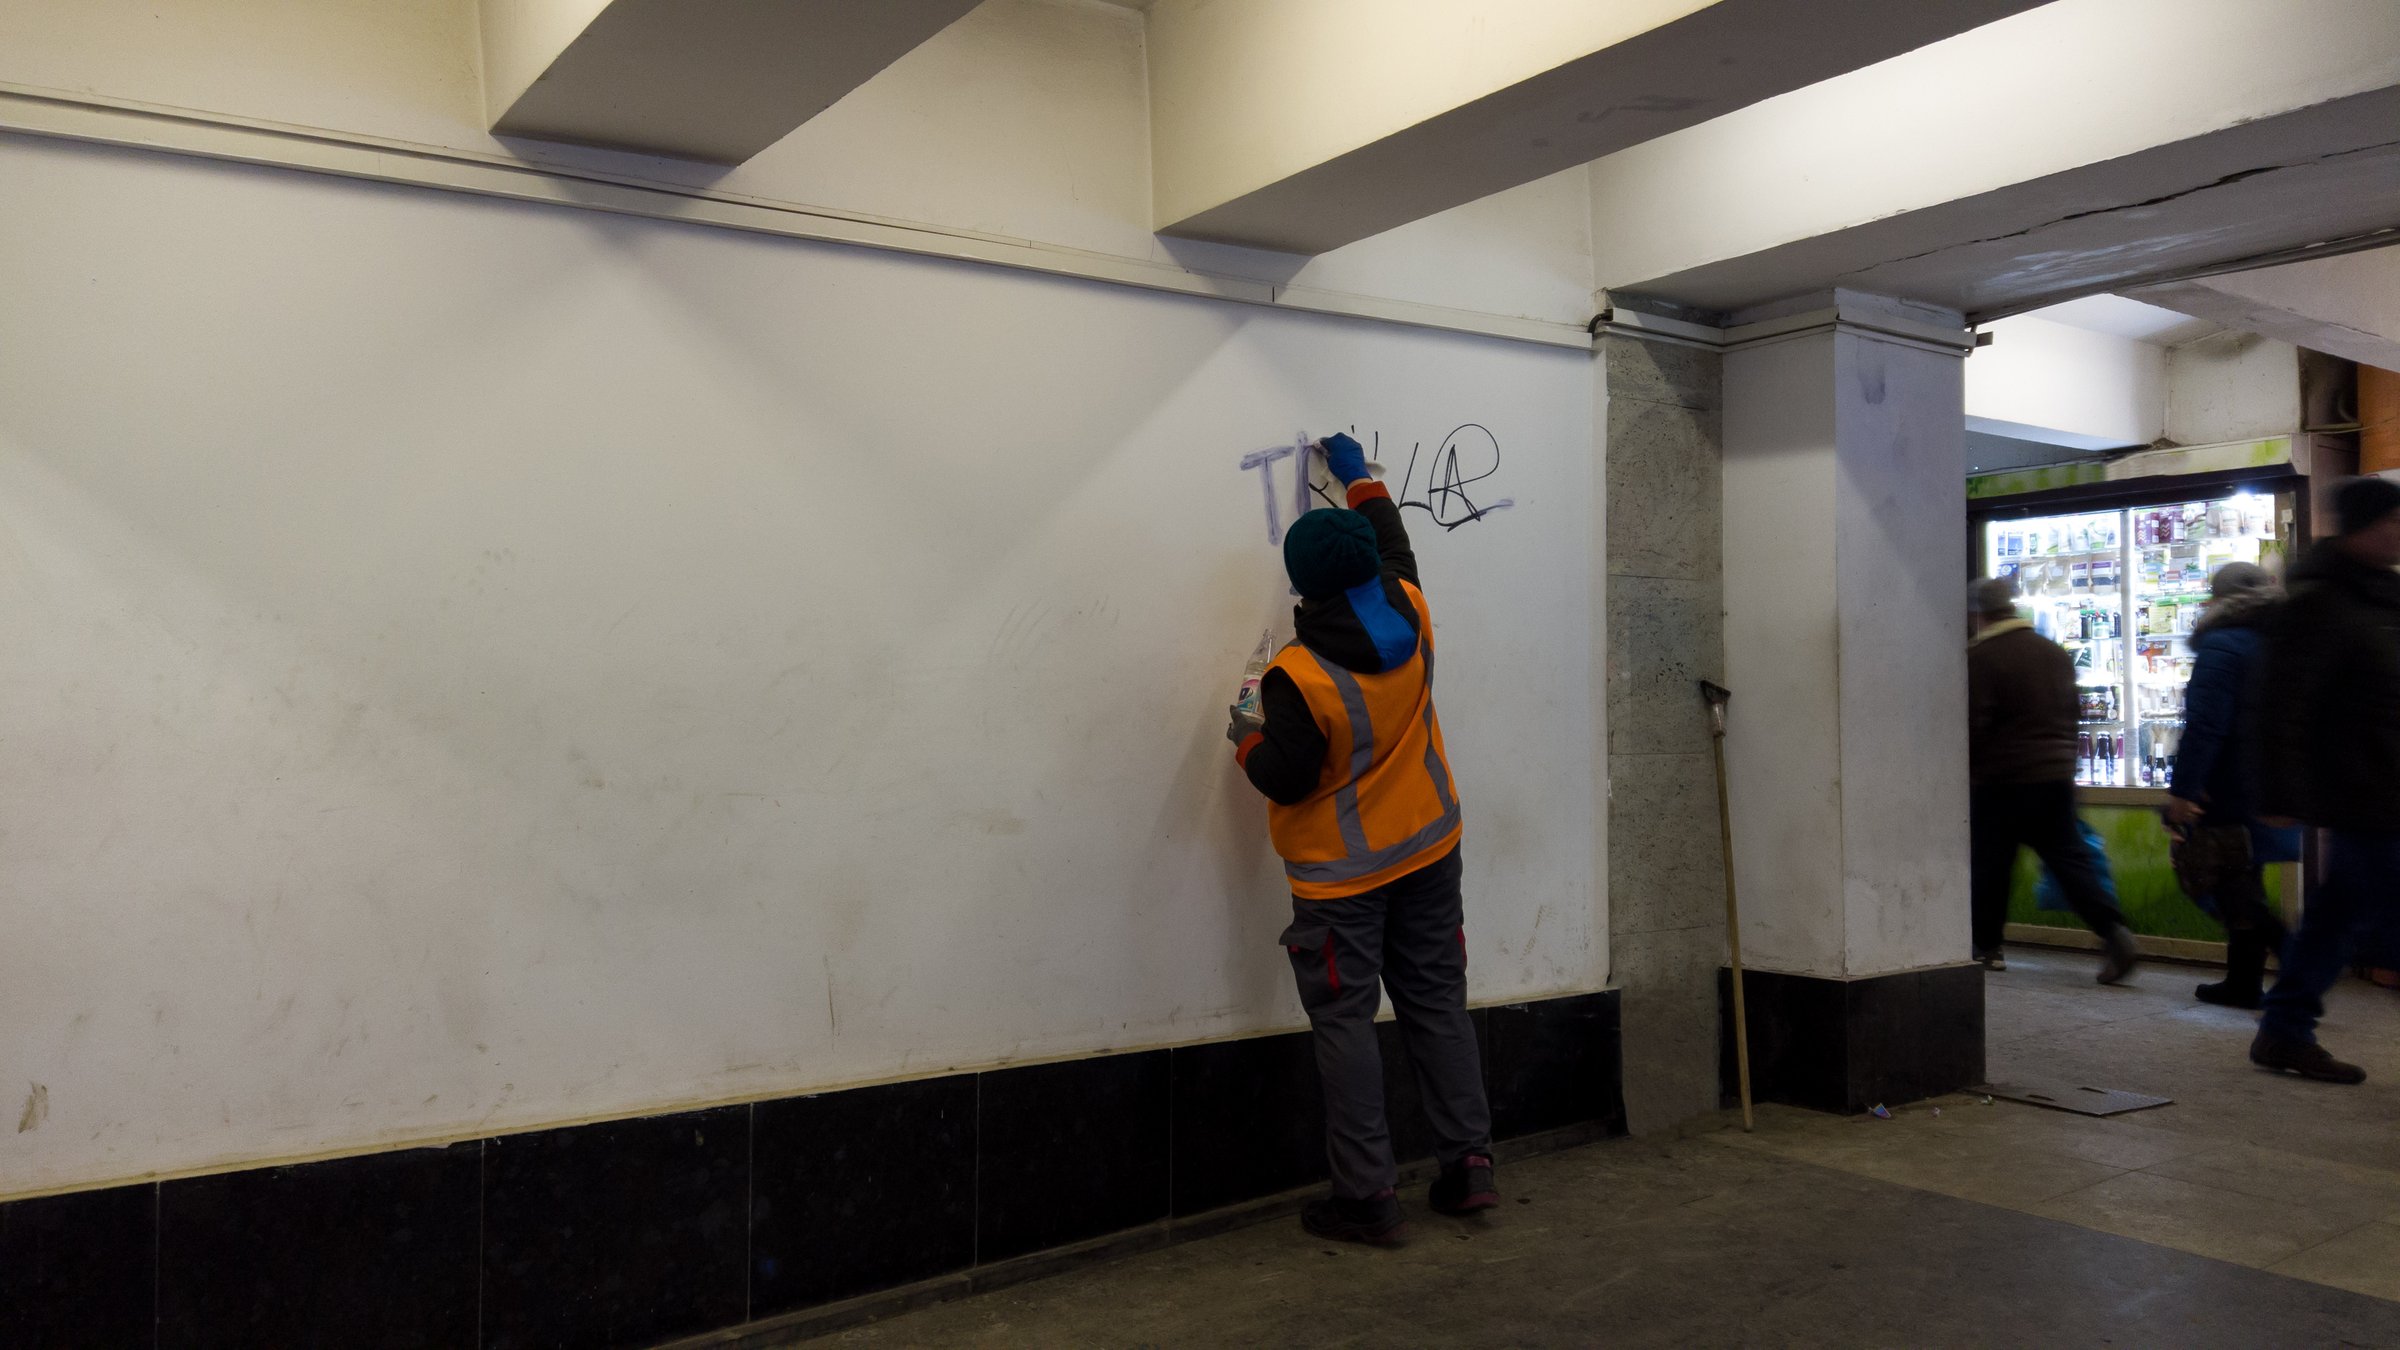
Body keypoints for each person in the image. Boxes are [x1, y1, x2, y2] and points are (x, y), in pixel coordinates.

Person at [1227, 431, 1495, 1246]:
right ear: (1369, 570)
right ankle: (1468, 1169)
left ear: (1302, 585)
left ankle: (1368, 1198)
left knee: (1346, 1024)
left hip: (1342, 883)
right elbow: (1395, 540)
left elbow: (1283, 775)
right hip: (1428, 849)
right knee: (1437, 1003)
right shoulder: (1410, 609)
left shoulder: (1297, 678)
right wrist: (1356, 475)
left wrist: (1241, 730)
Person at [2250, 476, 2400, 1083]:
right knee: (2362, 910)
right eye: (2392, 521)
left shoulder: (2383, 597)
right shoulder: (2318, 601)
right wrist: (2278, 791)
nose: (2399, 534)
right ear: (2362, 526)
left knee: (2341, 912)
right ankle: (2285, 1028)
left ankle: (2284, 1029)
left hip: (2385, 780)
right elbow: (2280, 703)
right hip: (2360, 785)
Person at [1969, 577, 2141, 982]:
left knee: (1991, 864)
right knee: (2069, 859)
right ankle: (2113, 931)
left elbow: (1975, 724)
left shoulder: (1982, 657)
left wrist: (1970, 769)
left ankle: (1987, 947)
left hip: (2001, 780)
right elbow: (2073, 714)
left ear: (1979, 613)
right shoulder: (2054, 653)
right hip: (2055, 777)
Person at [2162, 562, 2294, 1009]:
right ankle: (2243, 981)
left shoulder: (2222, 646)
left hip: (2226, 783)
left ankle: (2299, 960)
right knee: (2244, 877)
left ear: (2218, 601)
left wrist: (2184, 788)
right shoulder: (2281, 641)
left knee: (2230, 882)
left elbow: (2206, 725)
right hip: (2268, 780)